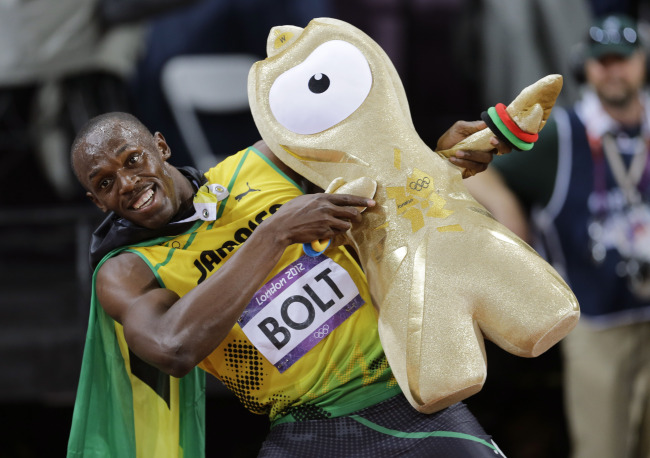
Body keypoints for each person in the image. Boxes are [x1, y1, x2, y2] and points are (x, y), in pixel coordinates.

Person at [67, 111, 509, 457]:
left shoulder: (263, 162)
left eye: (133, 159)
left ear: (160, 146)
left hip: (409, 403)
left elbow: (385, 172)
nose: (128, 183)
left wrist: (440, 158)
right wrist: (273, 234)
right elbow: (173, 348)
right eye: (106, 183)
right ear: (96, 200)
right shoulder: (128, 271)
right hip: (310, 432)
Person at [466, 13, 650, 458]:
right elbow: (470, 167)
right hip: (596, 322)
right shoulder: (562, 134)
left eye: (622, 59)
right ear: (585, 66)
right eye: (601, 61)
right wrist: (510, 213)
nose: (612, 70)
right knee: (602, 447)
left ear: (642, 62)